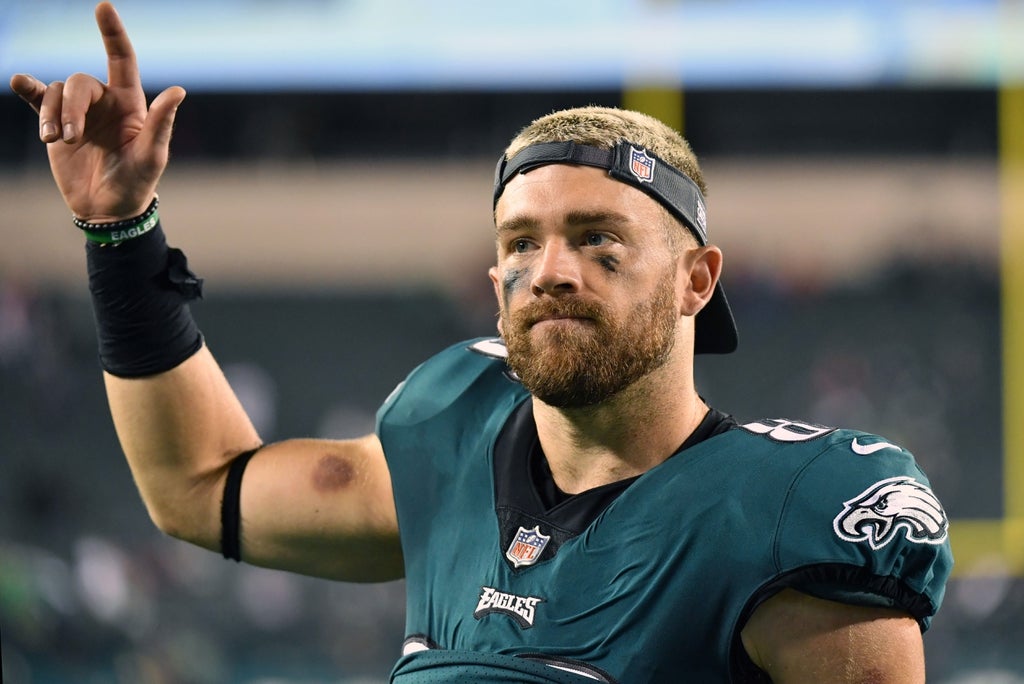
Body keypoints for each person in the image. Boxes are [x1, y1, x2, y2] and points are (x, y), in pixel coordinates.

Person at [10, 3, 953, 682]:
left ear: (696, 283)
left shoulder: (787, 512)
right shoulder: (450, 435)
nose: (549, 270)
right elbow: (200, 486)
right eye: (520, 243)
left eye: (598, 240)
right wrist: (122, 232)